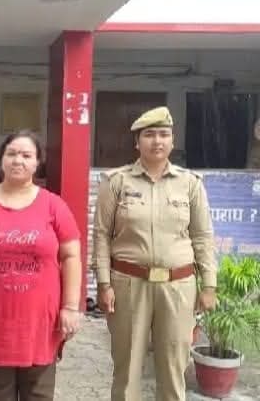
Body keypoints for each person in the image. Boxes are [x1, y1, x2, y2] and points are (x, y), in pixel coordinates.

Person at [92, 106, 217, 401]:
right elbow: (101, 235)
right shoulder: (117, 182)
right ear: (137, 142)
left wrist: (209, 285)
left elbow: (202, 236)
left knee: (174, 367)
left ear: (173, 141)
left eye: (164, 134)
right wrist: (104, 283)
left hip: (178, 286)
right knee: (127, 368)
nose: (157, 141)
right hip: (128, 284)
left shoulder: (190, 184)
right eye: (149, 134)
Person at [0, 130, 82, 401]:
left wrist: (70, 307)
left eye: (26, 155)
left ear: (37, 162)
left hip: (40, 321)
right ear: (2, 160)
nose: (18, 160)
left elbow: (71, 255)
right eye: (11, 154)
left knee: (39, 394)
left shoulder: (53, 205)